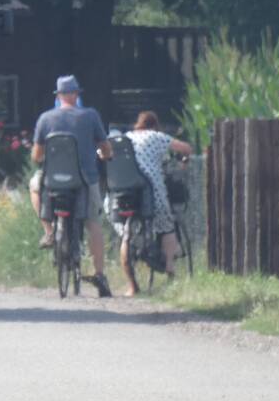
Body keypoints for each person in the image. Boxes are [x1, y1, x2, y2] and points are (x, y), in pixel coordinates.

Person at [31, 75, 113, 298]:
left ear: (58, 96)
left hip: (52, 180)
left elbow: (36, 156)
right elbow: (104, 147)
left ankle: (48, 230)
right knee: (93, 223)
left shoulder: (45, 119)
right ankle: (99, 275)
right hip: (85, 180)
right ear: (76, 95)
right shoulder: (90, 116)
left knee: (34, 186)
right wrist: (105, 155)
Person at [120, 110, 193, 295]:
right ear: (154, 125)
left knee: (126, 236)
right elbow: (186, 148)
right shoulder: (156, 136)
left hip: (124, 194)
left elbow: (102, 151)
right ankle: (170, 268)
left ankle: (131, 287)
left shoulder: (125, 138)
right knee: (167, 225)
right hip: (150, 191)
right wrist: (184, 161)